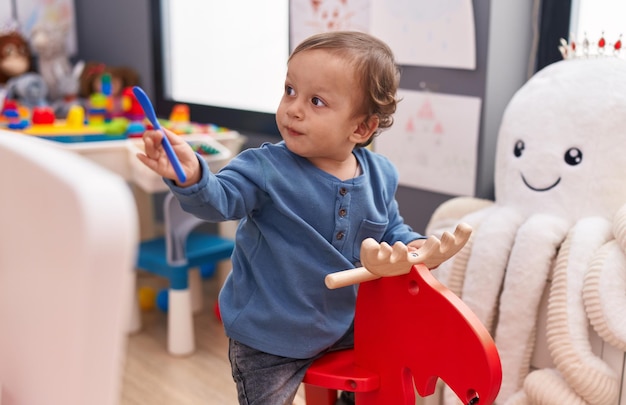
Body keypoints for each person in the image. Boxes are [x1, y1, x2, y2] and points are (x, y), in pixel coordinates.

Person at [136, 30, 426, 405]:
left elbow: (389, 228)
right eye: (290, 90)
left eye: (316, 101)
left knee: (385, 378)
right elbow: (218, 201)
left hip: (347, 326)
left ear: (361, 128)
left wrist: (413, 243)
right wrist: (191, 176)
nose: (294, 108)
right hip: (268, 336)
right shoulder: (263, 166)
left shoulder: (380, 175)